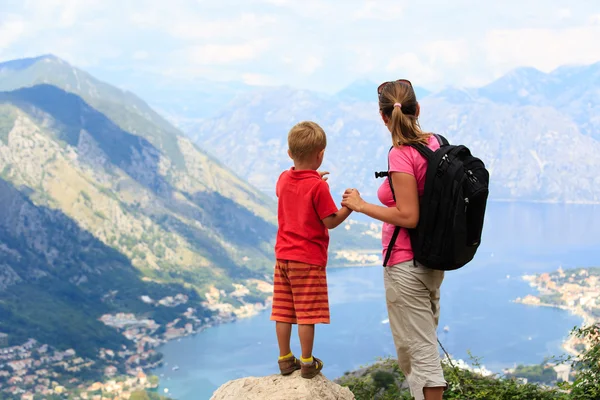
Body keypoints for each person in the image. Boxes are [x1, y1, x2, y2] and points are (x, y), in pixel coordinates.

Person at [341, 80, 447, 400]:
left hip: (405, 262)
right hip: (433, 259)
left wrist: (361, 206)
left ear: (383, 117)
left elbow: (408, 216)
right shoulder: (436, 143)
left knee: (420, 351)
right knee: (414, 347)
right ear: (418, 109)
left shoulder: (401, 155)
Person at [270, 121, 352, 379]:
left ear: (290, 154)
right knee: (307, 313)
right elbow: (330, 221)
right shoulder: (318, 187)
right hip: (308, 261)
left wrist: (310, 177)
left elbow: (287, 190)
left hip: (283, 257)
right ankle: (307, 362)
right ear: (321, 154)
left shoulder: (283, 178)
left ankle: (285, 359)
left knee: (283, 310)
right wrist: (350, 207)